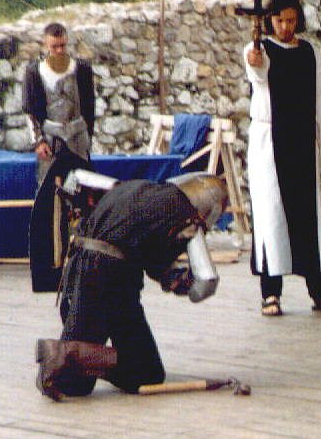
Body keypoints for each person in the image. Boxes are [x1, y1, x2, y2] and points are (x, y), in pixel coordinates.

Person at [35, 171, 229, 401]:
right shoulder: (188, 217)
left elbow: (76, 177)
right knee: (72, 383)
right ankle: (64, 354)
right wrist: (187, 286)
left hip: (96, 272)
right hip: (105, 278)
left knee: (147, 373)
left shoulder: (133, 187)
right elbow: (206, 282)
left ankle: (78, 354)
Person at [243, 0, 321, 317]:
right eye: (279, 20)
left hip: (303, 144)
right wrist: (256, 62)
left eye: (290, 20)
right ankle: (270, 294)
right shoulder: (258, 50)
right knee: (271, 217)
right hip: (269, 143)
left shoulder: (312, 53)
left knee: (308, 219)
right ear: (270, 20)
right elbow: (258, 73)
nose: (285, 27)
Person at [23, 22, 97, 292]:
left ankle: (86, 271)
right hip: (51, 142)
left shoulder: (82, 69)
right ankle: (50, 274)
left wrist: (87, 138)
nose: (59, 50)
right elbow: (30, 110)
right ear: (46, 44)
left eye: (63, 45)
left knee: (84, 202)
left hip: (77, 140)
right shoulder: (34, 71)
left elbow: (89, 107)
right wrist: (38, 141)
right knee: (49, 208)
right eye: (54, 46)